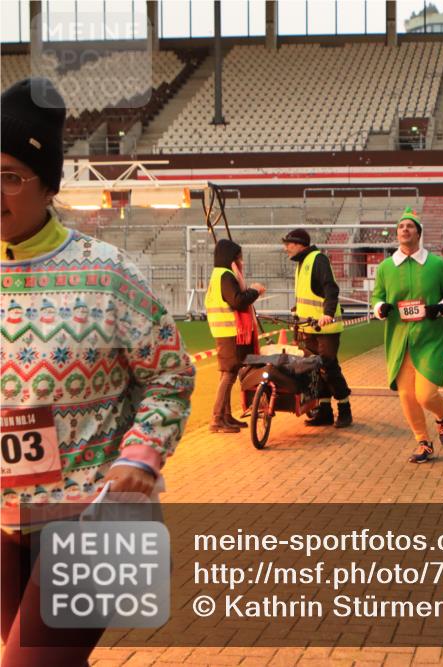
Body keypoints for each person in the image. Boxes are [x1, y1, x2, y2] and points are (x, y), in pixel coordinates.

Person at [0, 77, 194, 665]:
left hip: (99, 515)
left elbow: (171, 376)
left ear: (49, 186)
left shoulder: (107, 273)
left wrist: (140, 454)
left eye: (10, 175)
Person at [372, 208, 443, 463]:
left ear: (418, 233)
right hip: (400, 339)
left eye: (410, 226)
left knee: (426, 394)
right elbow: (376, 296)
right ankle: (423, 442)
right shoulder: (386, 267)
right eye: (401, 227)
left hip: (430, 337)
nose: (404, 230)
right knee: (407, 396)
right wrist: (380, 308)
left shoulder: (437, 265)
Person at [282, 228, 353, 427]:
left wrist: (328, 314)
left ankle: (345, 409)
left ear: (300, 244)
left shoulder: (317, 259)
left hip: (326, 328)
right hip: (308, 327)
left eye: (289, 244)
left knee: (329, 367)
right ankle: (324, 411)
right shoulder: (301, 263)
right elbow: (311, 294)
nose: (286, 248)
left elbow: (330, 288)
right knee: (314, 369)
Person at [206, 238, 265, 433]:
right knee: (229, 374)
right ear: (232, 257)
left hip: (226, 332)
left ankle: (225, 416)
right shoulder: (225, 276)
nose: (241, 261)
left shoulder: (219, 275)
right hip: (230, 333)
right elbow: (238, 301)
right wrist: (254, 291)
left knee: (228, 374)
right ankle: (217, 419)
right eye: (239, 257)